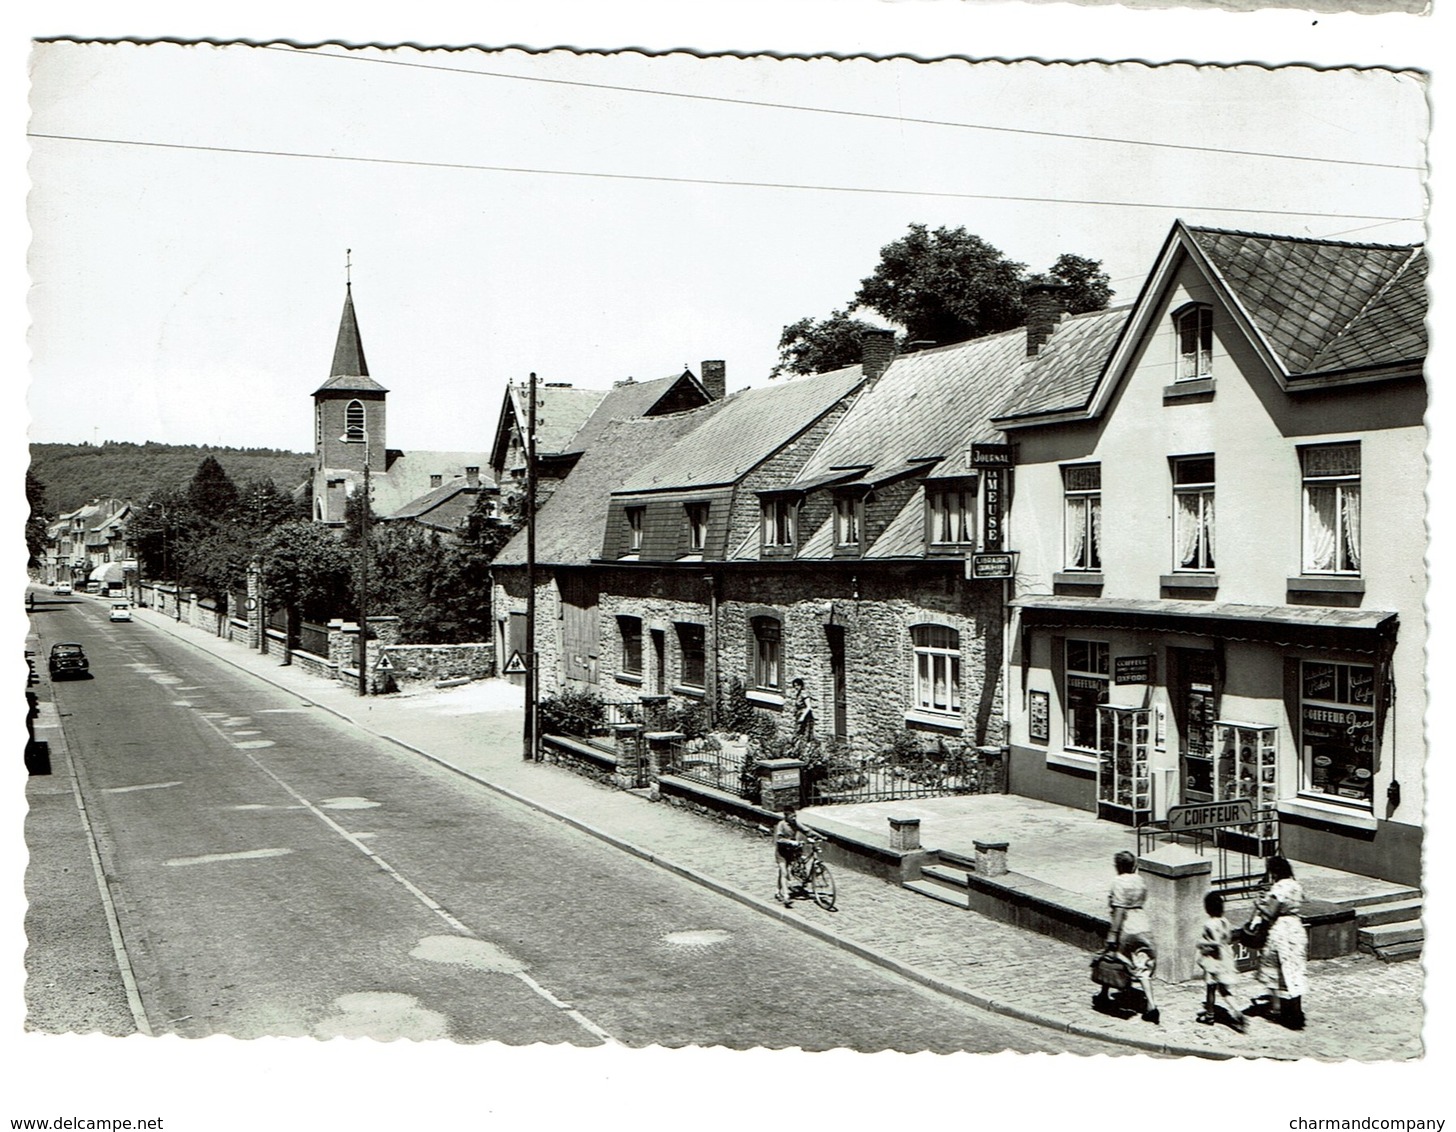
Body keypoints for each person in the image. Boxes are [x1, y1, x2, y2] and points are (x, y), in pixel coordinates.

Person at [1248, 855, 1308, 1030]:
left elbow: (1270, 913)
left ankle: (1276, 1009)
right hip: (1296, 928)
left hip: (1281, 930)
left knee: (1271, 968)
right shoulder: (1295, 885)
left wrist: (1259, 905)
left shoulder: (1279, 887)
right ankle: (1297, 1009)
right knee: (1294, 969)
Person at [1106, 849, 1159, 1024]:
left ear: (1118, 866)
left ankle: (1105, 992)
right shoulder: (1140, 880)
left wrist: (1113, 933)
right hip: (1142, 924)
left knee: (1113, 957)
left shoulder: (1118, 881)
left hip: (1126, 926)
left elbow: (1120, 909)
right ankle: (1151, 1005)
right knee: (1143, 965)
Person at [1196, 891, 1245, 1030]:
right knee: (1224, 990)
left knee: (1210, 988)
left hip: (1214, 960)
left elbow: (1216, 942)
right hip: (1226, 957)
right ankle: (1237, 1010)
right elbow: (1228, 939)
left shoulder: (1209, 924)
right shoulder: (1225, 922)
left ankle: (1210, 1015)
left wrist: (1202, 943)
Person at [773, 804, 813, 906]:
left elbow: (807, 830)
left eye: (795, 816)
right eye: (792, 816)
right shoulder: (781, 825)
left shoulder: (795, 823)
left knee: (783, 872)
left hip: (791, 851)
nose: (794, 818)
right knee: (784, 872)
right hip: (781, 852)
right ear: (786, 816)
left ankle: (777, 890)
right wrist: (791, 842)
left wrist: (821, 836)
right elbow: (779, 839)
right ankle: (786, 896)